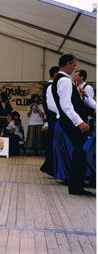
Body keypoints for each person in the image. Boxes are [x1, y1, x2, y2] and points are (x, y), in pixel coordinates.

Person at [51, 54, 92, 196]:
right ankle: (76, 186)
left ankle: (76, 185)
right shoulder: (65, 81)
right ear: (67, 64)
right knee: (80, 152)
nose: (75, 68)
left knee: (79, 152)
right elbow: (66, 105)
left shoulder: (61, 80)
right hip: (70, 122)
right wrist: (79, 121)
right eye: (74, 65)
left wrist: (79, 94)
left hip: (67, 121)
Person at [40, 66, 59, 176]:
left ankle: (49, 165)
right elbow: (51, 105)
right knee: (52, 142)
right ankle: (50, 166)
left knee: (52, 142)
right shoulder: (51, 86)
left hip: (51, 117)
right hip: (53, 117)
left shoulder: (49, 86)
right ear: (56, 74)